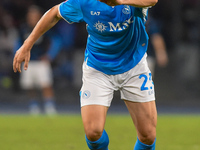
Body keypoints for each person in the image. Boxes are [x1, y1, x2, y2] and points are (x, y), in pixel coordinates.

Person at [13, 0, 158, 149]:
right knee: (93, 132)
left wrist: (118, 1)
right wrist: (27, 44)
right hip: (98, 68)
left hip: (133, 66)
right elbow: (54, 13)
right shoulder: (83, 2)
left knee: (148, 136)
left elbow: (152, 1)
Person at [14, 5, 62, 115]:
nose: (32, 17)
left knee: (46, 84)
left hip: (41, 61)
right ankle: (34, 106)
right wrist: (17, 55)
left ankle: (50, 106)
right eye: (30, 15)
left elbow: (56, 41)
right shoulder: (24, 29)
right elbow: (18, 42)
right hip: (28, 62)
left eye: (34, 15)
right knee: (29, 85)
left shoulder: (45, 27)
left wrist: (50, 55)